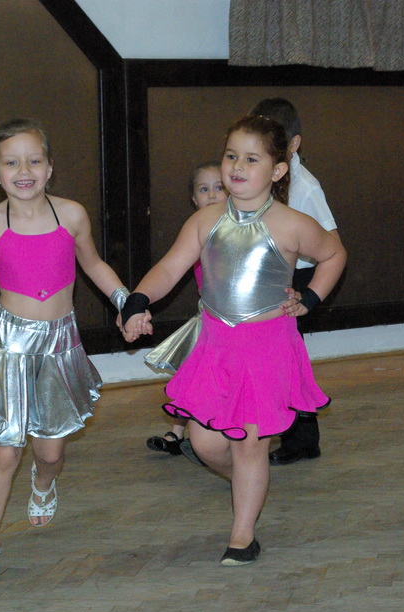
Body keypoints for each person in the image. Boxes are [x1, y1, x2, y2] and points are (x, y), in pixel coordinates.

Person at [120, 115, 346, 565]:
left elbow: (334, 253)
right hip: (215, 346)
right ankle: (249, 481)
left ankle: (243, 535)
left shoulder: (291, 223)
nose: (237, 166)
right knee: (205, 443)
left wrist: (311, 298)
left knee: (248, 443)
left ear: (278, 170)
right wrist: (137, 300)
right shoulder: (205, 221)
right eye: (230, 156)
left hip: (266, 348)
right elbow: (170, 268)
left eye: (251, 159)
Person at [0, 118, 130, 585]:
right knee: (4, 452)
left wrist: (127, 302)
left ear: (49, 167)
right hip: (9, 347)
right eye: (11, 163)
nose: (23, 171)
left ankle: (44, 482)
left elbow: (94, 264)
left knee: (49, 452)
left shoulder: (72, 215)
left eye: (34, 161)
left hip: (59, 346)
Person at [250, 97, 341, 466]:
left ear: (294, 144)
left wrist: (309, 296)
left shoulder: (305, 186)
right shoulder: (262, 178)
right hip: (272, 274)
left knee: (288, 363)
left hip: (298, 277)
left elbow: (333, 245)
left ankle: (302, 440)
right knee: (275, 361)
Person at [144, 161, 227, 457]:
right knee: (191, 376)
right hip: (207, 317)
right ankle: (178, 432)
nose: (212, 195)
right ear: (193, 198)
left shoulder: (238, 229)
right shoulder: (194, 231)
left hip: (232, 324)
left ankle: (209, 433)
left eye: (219, 188)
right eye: (204, 190)